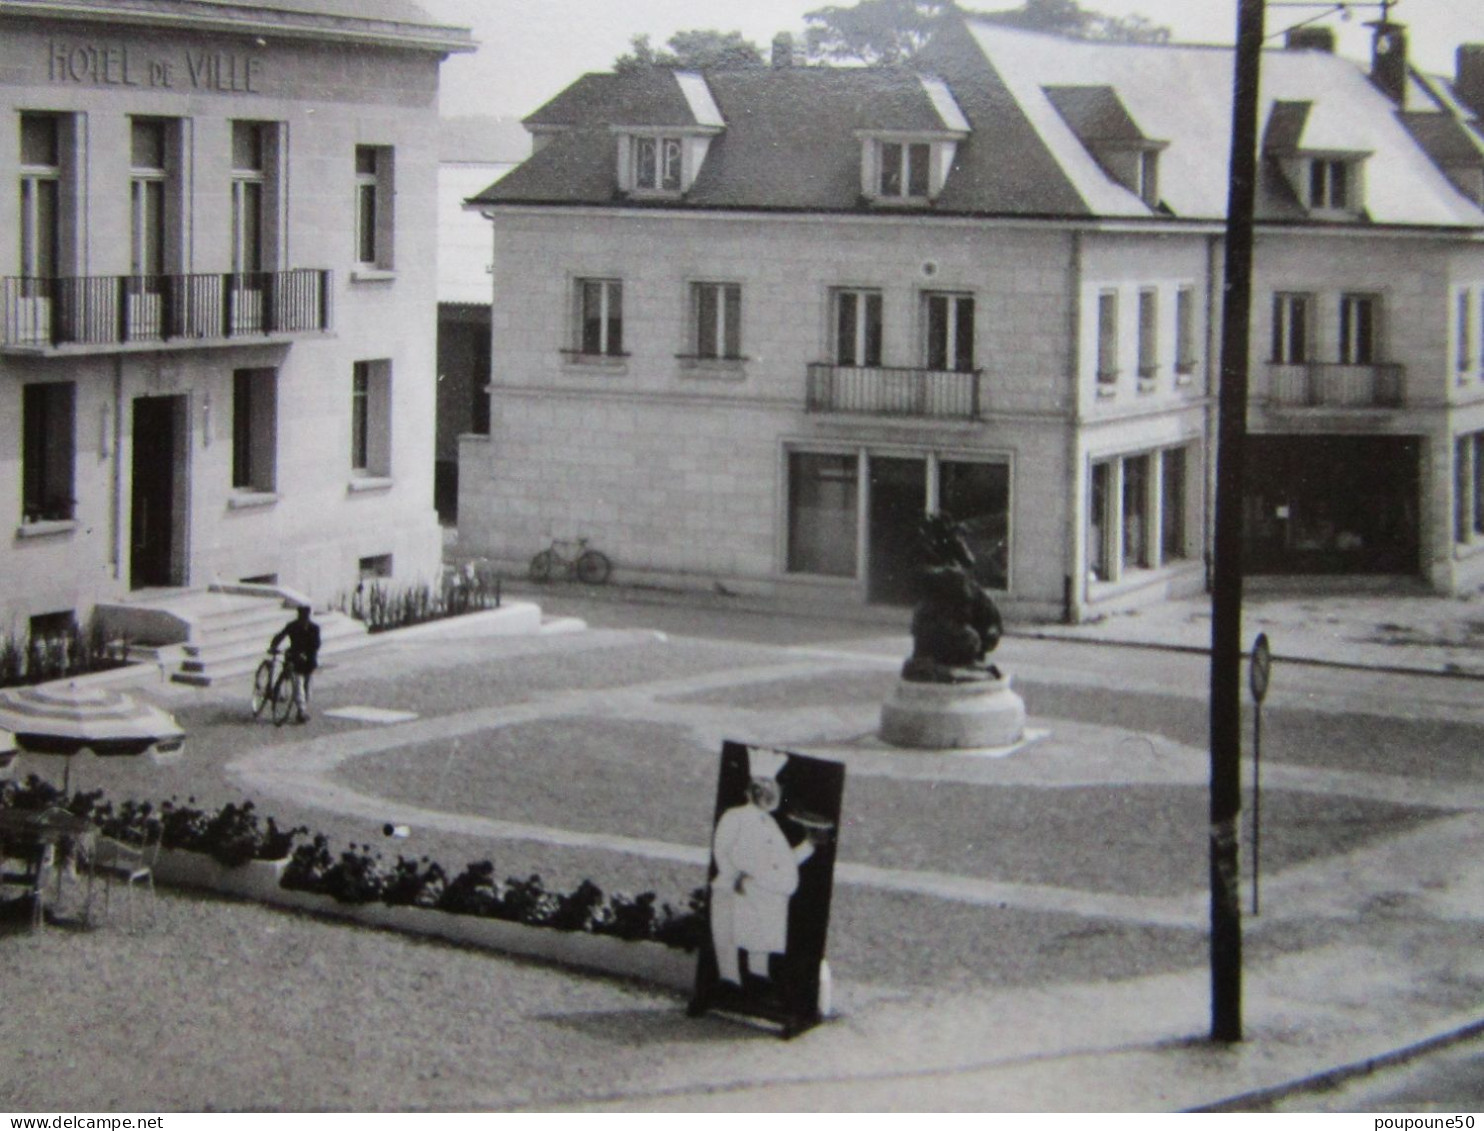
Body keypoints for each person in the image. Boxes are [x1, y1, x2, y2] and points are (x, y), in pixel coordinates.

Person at [709, 747, 822, 987]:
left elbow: (781, 862)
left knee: (759, 943)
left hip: (767, 893)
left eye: (773, 788)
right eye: (766, 788)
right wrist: (735, 876)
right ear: (755, 791)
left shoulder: (771, 824)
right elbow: (722, 849)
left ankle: (757, 981)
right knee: (730, 938)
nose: (772, 794)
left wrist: (808, 845)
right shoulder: (735, 816)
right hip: (739, 890)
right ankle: (729, 982)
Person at [269, 604, 320, 723]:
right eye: (302, 616)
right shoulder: (292, 626)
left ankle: (302, 708)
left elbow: (316, 644)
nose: (304, 619)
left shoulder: (314, 628)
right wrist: (273, 646)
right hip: (295, 658)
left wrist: (306, 654)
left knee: (307, 685)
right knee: (298, 683)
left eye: (305, 616)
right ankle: (301, 710)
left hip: (309, 660)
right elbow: (280, 636)